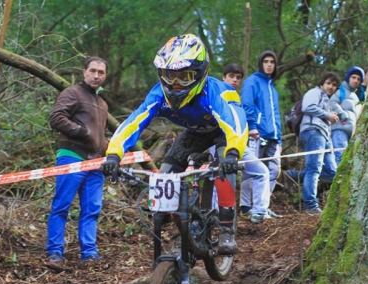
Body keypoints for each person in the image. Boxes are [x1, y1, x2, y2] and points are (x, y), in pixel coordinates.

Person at [101, 34, 248, 255]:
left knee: (223, 170)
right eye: (170, 76)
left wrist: (233, 153)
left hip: (223, 133)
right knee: (165, 176)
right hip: (194, 133)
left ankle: (227, 229)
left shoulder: (217, 92)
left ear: (200, 73)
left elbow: (235, 123)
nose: (176, 84)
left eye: (184, 76)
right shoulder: (159, 94)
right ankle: (185, 224)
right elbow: (134, 121)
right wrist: (113, 154)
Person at [47, 57, 109, 263]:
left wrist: (109, 154)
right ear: (84, 72)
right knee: (62, 205)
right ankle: (55, 251)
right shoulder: (72, 93)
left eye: (101, 72)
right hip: (72, 156)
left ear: (105, 76)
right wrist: (81, 132)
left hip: (96, 162)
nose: (96, 75)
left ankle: (89, 252)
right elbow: (56, 118)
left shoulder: (102, 103)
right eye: (92, 71)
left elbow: (101, 135)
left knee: (92, 209)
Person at [219, 63, 272, 224]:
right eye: (231, 76)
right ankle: (217, 215)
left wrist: (248, 131)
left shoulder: (238, 99)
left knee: (262, 171)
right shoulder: (216, 95)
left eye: (238, 78)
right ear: (224, 77)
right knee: (222, 175)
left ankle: (259, 212)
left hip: (240, 145)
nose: (234, 80)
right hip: (219, 143)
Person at [283, 72, 341, 215]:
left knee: (332, 172)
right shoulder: (314, 92)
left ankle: (292, 175)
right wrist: (328, 115)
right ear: (322, 83)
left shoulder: (326, 100)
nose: (331, 87)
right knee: (314, 169)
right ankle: (310, 205)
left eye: (334, 85)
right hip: (313, 132)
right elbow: (307, 107)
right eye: (328, 83)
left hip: (324, 136)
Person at [240, 50, 283, 221]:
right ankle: (245, 207)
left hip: (272, 136)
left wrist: (279, 138)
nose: (269, 64)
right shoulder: (252, 81)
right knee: (251, 171)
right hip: (256, 133)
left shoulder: (272, 88)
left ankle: (262, 206)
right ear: (261, 63)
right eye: (266, 61)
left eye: (272, 61)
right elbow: (247, 105)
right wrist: (252, 126)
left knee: (273, 170)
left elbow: (276, 115)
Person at [329, 66, 362, 165]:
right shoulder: (341, 91)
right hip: (340, 129)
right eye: (353, 77)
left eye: (358, 79)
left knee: (347, 160)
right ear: (348, 78)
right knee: (339, 156)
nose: (355, 80)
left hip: (351, 133)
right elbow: (331, 103)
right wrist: (343, 114)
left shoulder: (356, 97)